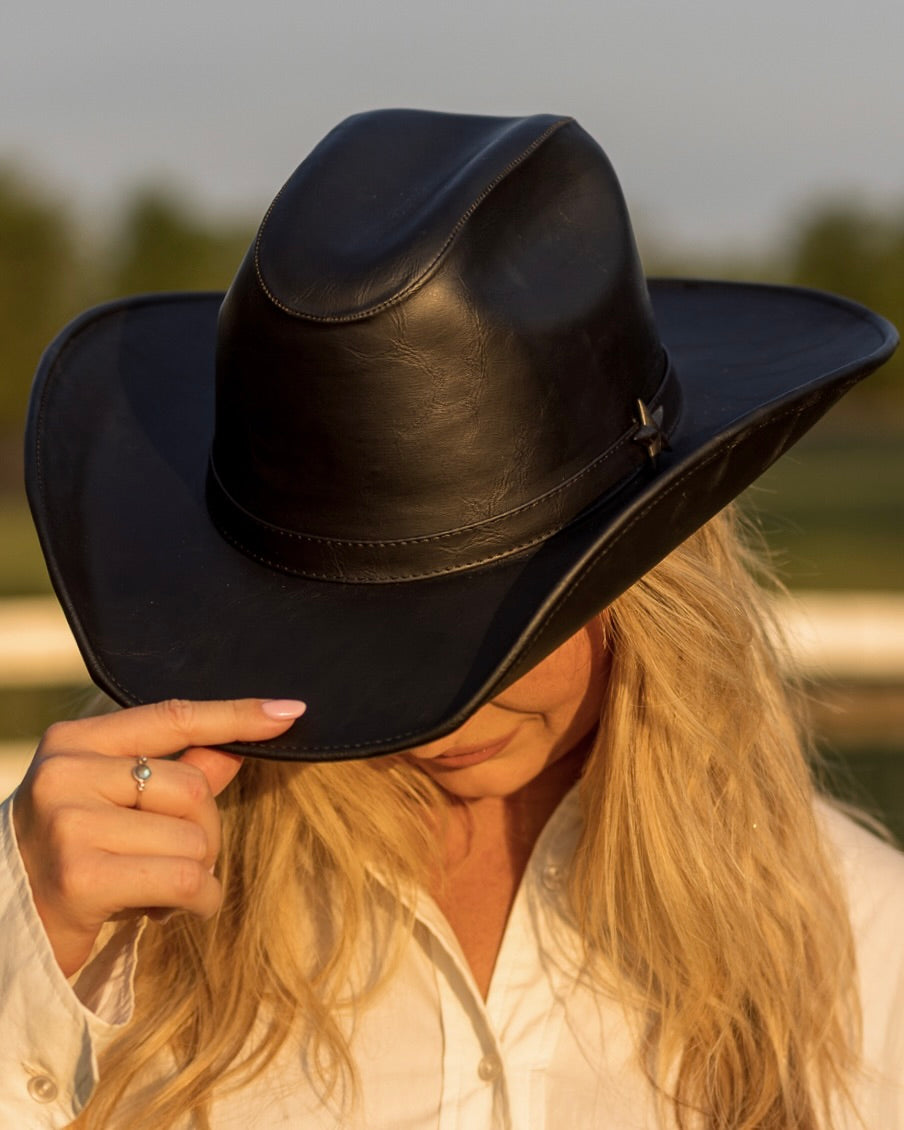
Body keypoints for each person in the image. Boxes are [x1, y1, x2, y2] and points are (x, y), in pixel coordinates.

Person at [1, 110, 902, 1129]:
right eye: (351, 627)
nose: (430, 715)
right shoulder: (111, 919)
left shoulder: (863, 945)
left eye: (507, 620)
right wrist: (24, 955)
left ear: (651, 571)